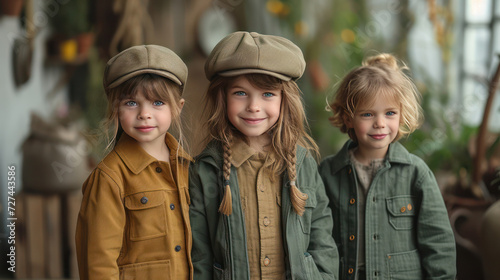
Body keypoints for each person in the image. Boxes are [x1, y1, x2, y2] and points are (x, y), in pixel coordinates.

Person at [189, 31, 339, 280]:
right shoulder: (206, 170)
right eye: (240, 93)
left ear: (284, 100)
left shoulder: (303, 163)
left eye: (267, 94)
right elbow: (199, 252)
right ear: (222, 97)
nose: (254, 106)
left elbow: (322, 236)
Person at [319, 53, 456, 280]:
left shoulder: (416, 174)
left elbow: (438, 241)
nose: (380, 123)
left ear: (401, 116)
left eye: (390, 113)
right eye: (367, 114)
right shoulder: (327, 173)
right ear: (348, 118)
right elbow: (319, 238)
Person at [75, 45, 193, 279]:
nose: (144, 113)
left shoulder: (189, 168)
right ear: (115, 108)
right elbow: (98, 263)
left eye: (157, 102)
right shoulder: (110, 178)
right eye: (131, 102)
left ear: (177, 108)